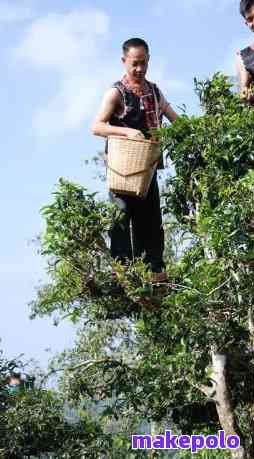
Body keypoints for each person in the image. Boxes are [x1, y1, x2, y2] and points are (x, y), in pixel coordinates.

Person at [92, 38, 177, 282]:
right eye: (134, 64)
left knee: (150, 221)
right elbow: (96, 126)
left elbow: (175, 120)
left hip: (146, 170)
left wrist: (192, 136)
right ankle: (122, 273)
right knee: (120, 217)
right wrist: (128, 132)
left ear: (149, 60)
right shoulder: (116, 92)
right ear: (124, 62)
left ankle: (153, 273)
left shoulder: (154, 91)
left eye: (143, 63)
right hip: (121, 169)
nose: (139, 69)